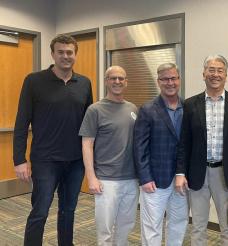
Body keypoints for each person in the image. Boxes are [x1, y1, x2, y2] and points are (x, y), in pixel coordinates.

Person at [13, 34, 93, 246]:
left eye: (70, 52)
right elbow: (22, 122)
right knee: (40, 211)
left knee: (68, 210)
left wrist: (91, 160)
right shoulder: (34, 81)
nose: (65, 56)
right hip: (45, 160)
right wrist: (19, 159)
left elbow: (89, 126)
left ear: (75, 54)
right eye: (61, 52)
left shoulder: (84, 83)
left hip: (76, 161)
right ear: (53, 54)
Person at [175, 55, 228, 246]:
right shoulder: (191, 104)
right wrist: (180, 172)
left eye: (220, 70)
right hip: (197, 173)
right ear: (203, 73)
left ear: (226, 75)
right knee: (198, 226)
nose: (215, 74)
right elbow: (184, 142)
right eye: (211, 69)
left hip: (227, 173)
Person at [79, 66, 138, 245]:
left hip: (131, 178)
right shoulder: (95, 110)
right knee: (104, 229)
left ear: (126, 82)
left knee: (126, 226)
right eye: (113, 78)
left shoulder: (133, 108)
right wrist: (91, 178)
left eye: (121, 78)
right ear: (106, 81)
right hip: (106, 180)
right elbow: (87, 144)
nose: (117, 82)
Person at [134, 63, 188, 246]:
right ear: (158, 81)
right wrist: (145, 178)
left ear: (179, 80)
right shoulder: (147, 109)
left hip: (182, 179)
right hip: (155, 180)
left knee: (178, 223)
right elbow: (139, 147)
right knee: (152, 226)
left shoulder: (188, 108)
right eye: (165, 79)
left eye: (173, 78)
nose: (170, 82)